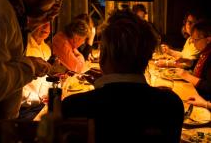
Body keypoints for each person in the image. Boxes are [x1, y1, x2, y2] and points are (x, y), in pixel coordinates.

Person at [61, 10, 184, 143]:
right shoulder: (171, 105)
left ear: (103, 57)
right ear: (148, 57)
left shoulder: (72, 106)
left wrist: (104, 87)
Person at [19, 22, 52, 120]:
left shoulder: (46, 49)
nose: (46, 27)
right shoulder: (23, 46)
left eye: (49, 22)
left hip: (39, 103)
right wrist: (38, 99)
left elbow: (42, 80)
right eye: (43, 22)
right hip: (24, 109)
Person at [176, 20, 211, 101]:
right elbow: (201, 67)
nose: (193, 43)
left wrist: (187, 76)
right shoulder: (205, 52)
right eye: (192, 39)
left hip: (203, 100)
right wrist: (189, 61)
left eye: (196, 39)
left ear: (208, 40)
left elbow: (209, 86)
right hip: (195, 93)